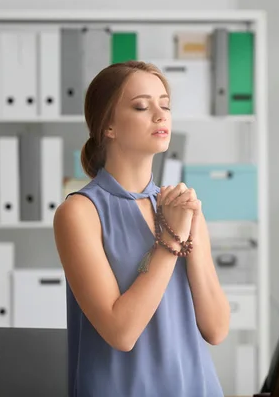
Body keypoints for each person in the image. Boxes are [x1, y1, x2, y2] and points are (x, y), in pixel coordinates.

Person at [53, 60, 230, 397]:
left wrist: (188, 230)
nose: (160, 115)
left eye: (164, 105)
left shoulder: (182, 208)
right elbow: (121, 332)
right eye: (141, 106)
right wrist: (168, 242)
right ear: (109, 127)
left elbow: (217, 328)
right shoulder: (79, 212)